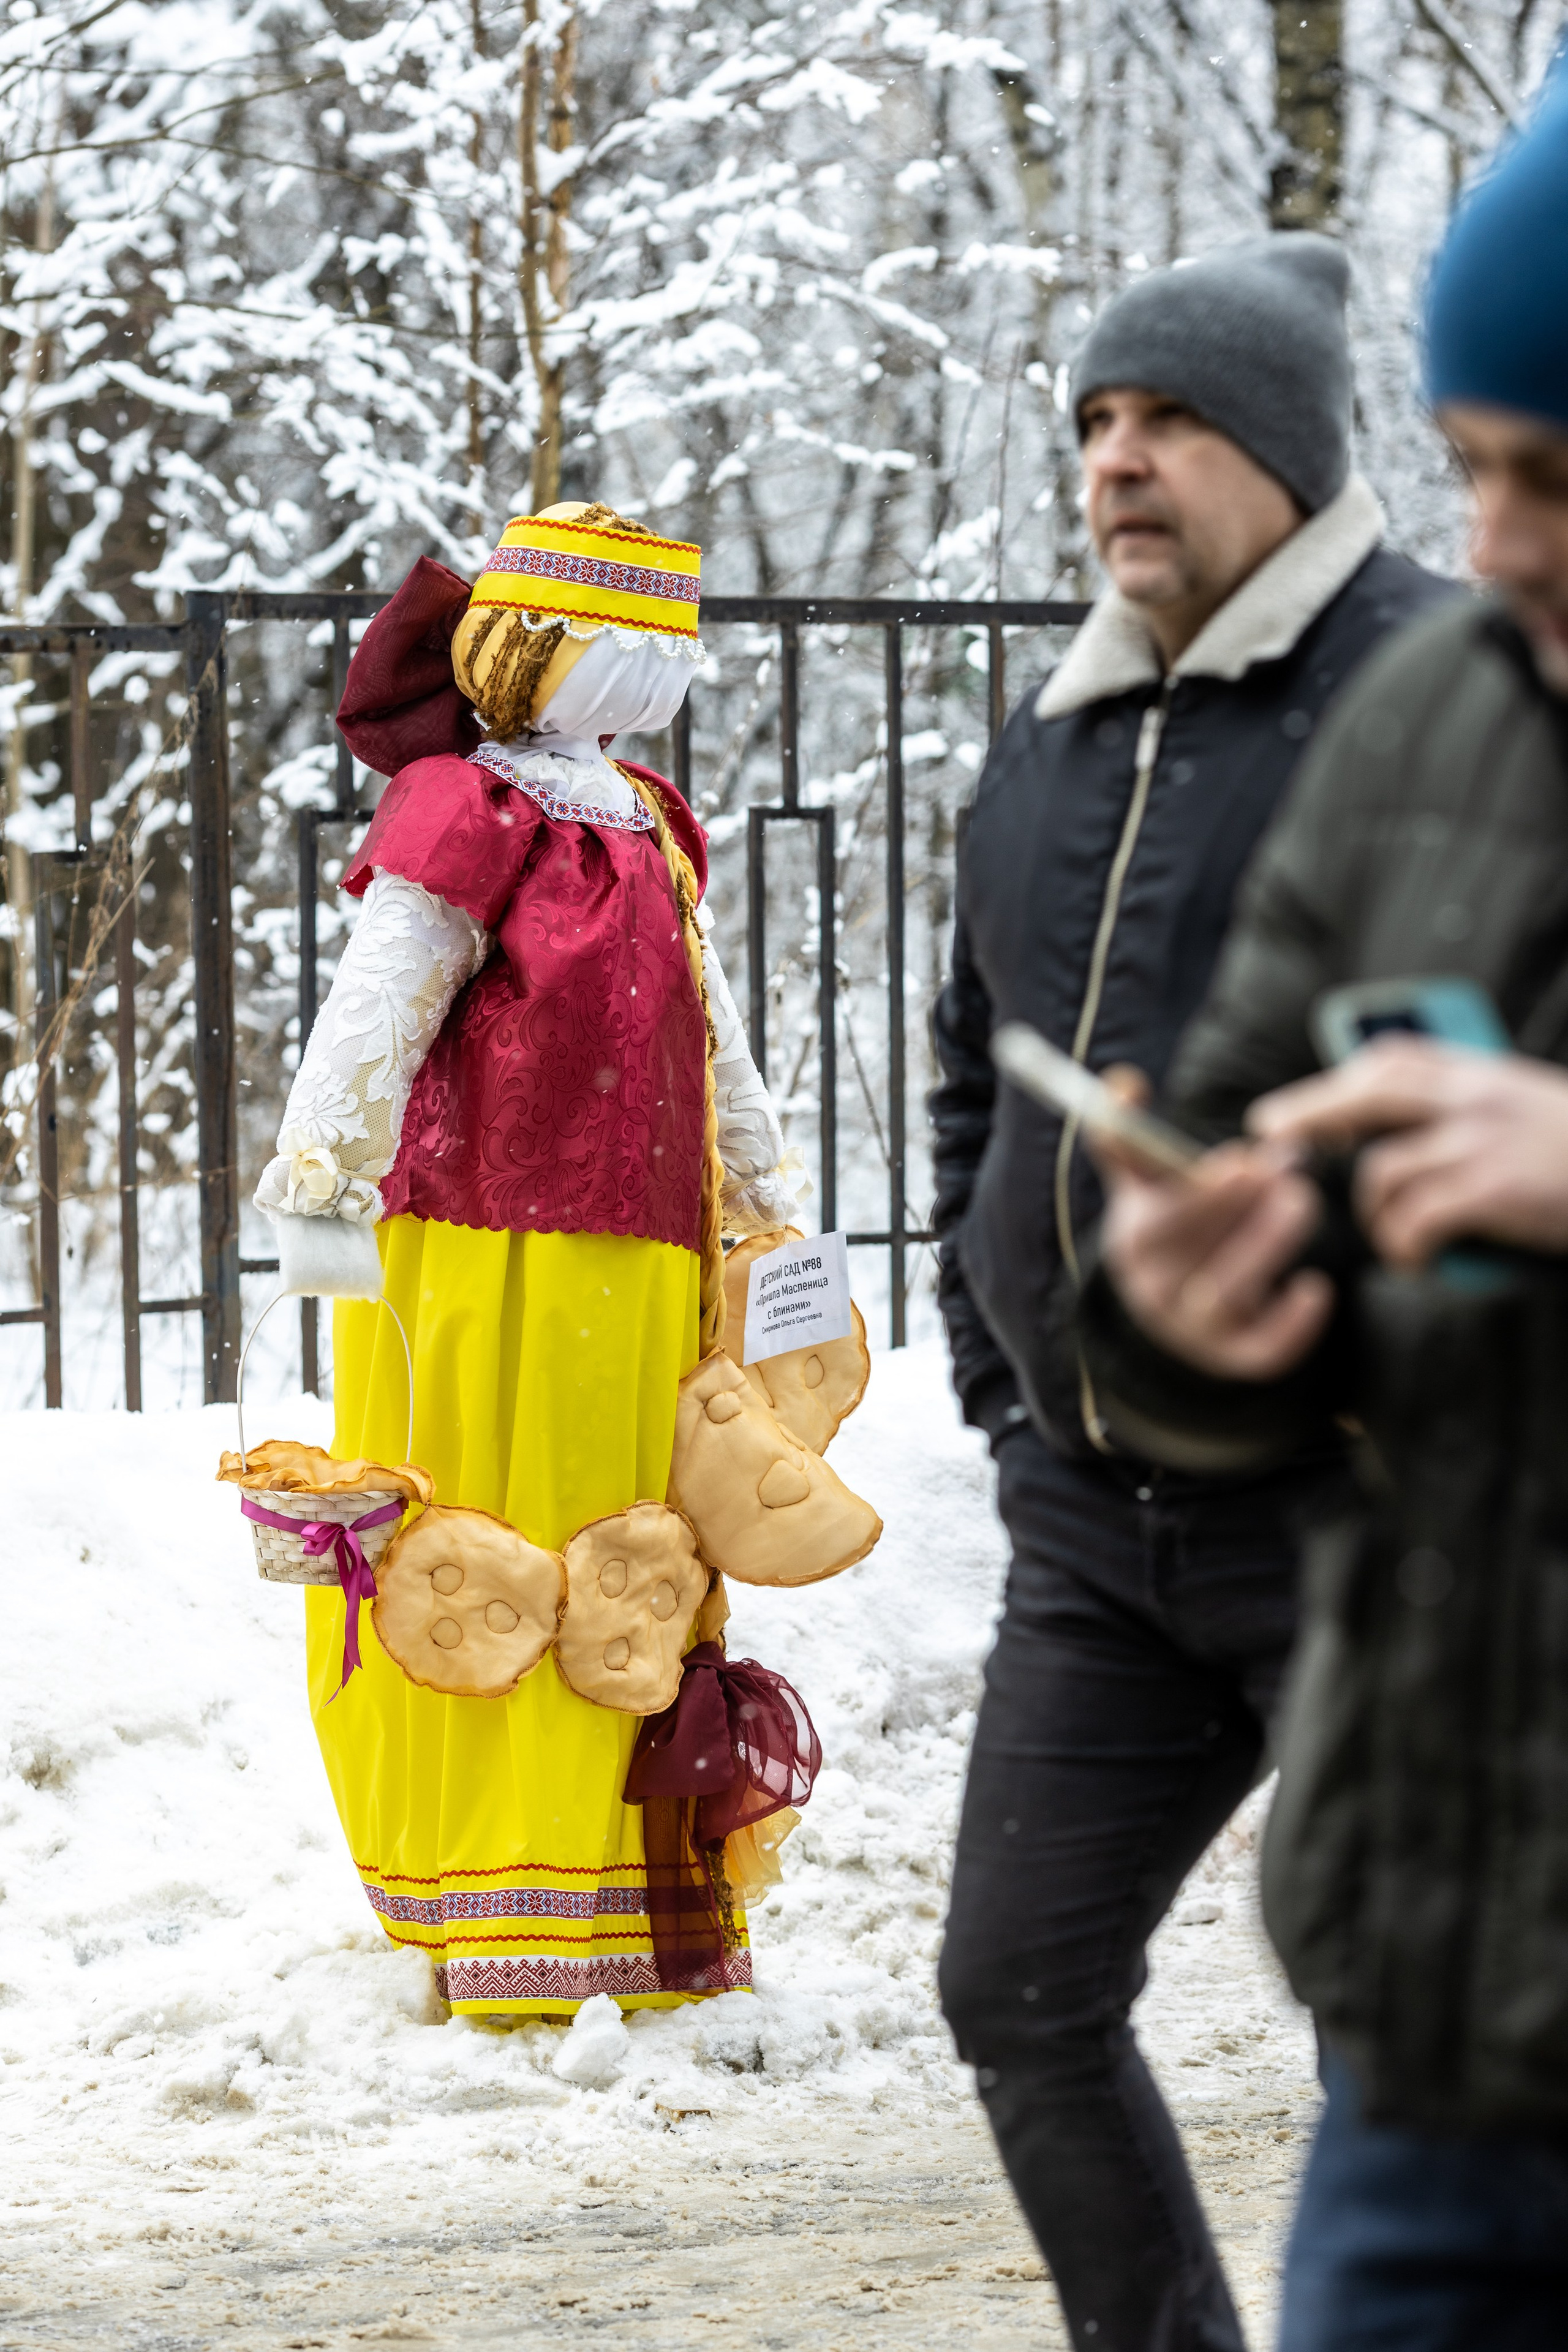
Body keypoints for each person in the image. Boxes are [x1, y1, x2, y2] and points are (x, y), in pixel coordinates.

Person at [1080, 83, 1568, 2350]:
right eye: (1472, 467)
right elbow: (1256, 1153)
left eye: (1560, 481)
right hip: (1444, 2018)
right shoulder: (1442, 718)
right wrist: (1199, 1310)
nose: (1501, 548)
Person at [929, 236, 1451, 2351]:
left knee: (1391, 2028)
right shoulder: (1054, 737)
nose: (1118, 465)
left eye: (1168, 422)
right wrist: (998, 1374)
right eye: (1096, 428)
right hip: (1097, 1521)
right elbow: (976, 1064)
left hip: (1364, 1509)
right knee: (1017, 1984)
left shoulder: (1441, 701)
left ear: (1292, 454)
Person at [253, 499, 800, 2015]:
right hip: (480, 1255)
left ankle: (610, 1886)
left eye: (661, 653)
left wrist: (759, 1185)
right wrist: (320, 1173)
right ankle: (488, 1878)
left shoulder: (650, 825)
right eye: (619, 647)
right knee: (482, 1551)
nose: (645, 679)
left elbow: (710, 1025)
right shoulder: (466, 811)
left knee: (630, 1553)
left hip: (640, 1269)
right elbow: (384, 993)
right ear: (534, 647)